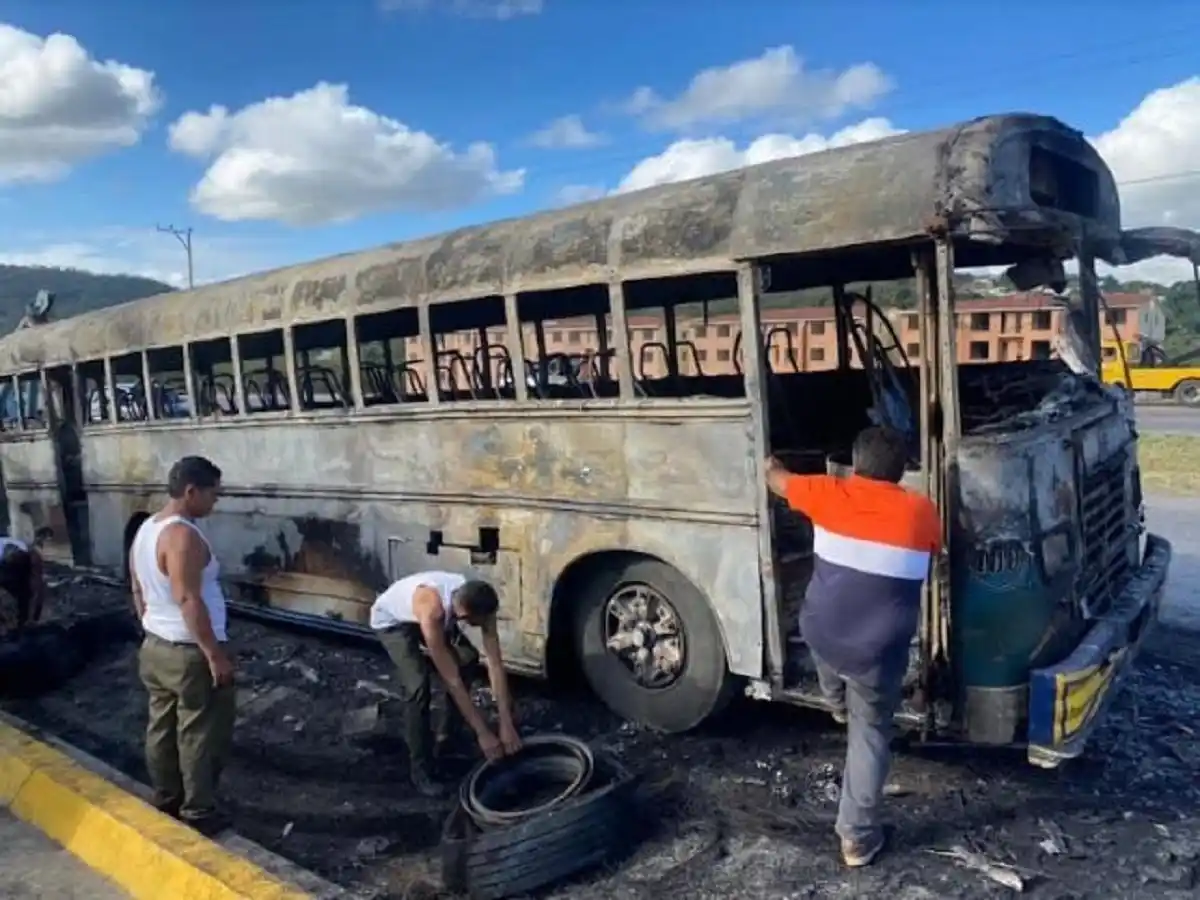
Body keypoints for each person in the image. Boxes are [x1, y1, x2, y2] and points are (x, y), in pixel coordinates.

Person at [765, 426, 941, 868]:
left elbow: (778, 481)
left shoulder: (825, 492)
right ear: (901, 472)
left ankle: (834, 701)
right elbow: (936, 557)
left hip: (820, 632)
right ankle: (857, 839)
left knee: (826, 643)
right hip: (875, 654)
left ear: (856, 464)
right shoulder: (921, 512)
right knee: (869, 734)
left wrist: (770, 463)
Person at [130, 456, 235, 835]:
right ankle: (199, 811)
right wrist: (214, 654)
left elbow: (138, 589)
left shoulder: (146, 530)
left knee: (161, 725)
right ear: (191, 491)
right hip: (188, 651)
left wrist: (149, 627)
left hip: (156, 645)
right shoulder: (182, 536)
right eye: (213, 494)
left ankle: (166, 796)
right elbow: (188, 598)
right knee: (199, 732)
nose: (215, 502)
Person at [370, 571, 522, 797]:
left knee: (468, 659)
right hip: (393, 623)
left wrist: (506, 724)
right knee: (418, 685)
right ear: (463, 615)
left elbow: (495, 664)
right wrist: (482, 732)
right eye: (476, 624)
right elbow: (451, 679)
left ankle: (448, 738)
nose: (481, 627)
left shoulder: (478, 598)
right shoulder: (433, 609)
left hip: (430, 616)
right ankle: (420, 767)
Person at [0, 526, 53, 633]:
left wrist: (34, 618)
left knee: (26, 594)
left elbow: (38, 585)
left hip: (16, 563)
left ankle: (22, 623)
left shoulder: (29, 556)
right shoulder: (24, 554)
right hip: (12, 564)